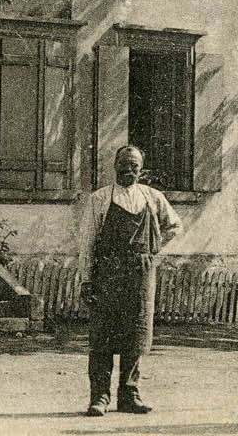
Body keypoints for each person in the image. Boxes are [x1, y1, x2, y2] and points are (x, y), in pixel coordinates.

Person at [77, 145, 182, 416]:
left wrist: (155, 246)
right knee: (102, 337)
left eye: (135, 165)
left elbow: (175, 226)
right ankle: (99, 397)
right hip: (107, 275)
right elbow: (87, 242)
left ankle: (129, 396)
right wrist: (86, 280)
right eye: (124, 164)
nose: (129, 170)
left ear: (141, 169)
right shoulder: (99, 199)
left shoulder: (153, 197)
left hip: (141, 276)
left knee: (135, 336)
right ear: (115, 166)